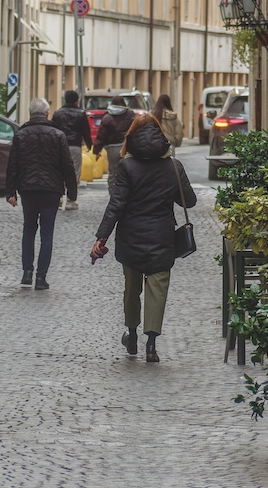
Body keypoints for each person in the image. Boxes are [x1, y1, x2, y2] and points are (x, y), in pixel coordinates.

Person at [91, 113, 196, 363]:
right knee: (157, 290)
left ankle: (131, 333)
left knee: (131, 290)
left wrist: (101, 237)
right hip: (162, 237)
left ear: (132, 137)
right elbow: (188, 201)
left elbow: (115, 205)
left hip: (131, 238)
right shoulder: (173, 166)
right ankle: (151, 344)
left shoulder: (126, 166)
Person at [6, 97, 77, 291]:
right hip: (51, 190)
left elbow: (13, 164)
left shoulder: (21, 134)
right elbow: (67, 165)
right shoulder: (58, 135)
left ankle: (26, 273)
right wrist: (72, 190)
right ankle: (41, 278)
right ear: (47, 114)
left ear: (30, 114)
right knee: (47, 233)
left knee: (28, 230)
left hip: (28, 190)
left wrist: (10, 191)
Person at [51, 89, 92, 209]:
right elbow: (86, 131)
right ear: (76, 100)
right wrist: (89, 144)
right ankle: (71, 199)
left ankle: (57, 197)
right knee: (74, 173)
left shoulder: (57, 113)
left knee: (58, 171)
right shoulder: (81, 113)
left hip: (60, 146)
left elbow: (53, 129)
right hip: (75, 146)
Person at [92, 96, 136, 193]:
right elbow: (135, 130)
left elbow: (101, 136)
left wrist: (96, 150)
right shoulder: (130, 115)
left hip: (112, 149)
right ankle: (128, 192)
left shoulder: (107, 117)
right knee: (129, 171)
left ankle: (113, 193)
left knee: (113, 172)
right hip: (127, 147)